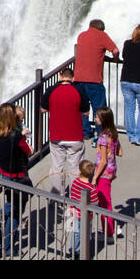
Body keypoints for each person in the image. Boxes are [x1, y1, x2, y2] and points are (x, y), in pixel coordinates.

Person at [0, 103, 33, 255]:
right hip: (18, 177)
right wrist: (24, 138)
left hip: (5, 174)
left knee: (10, 205)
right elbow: (28, 151)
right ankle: (7, 247)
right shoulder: (16, 136)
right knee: (15, 212)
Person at [42, 66, 89, 196]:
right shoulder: (79, 90)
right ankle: (75, 197)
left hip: (56, 135)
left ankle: (56, 197)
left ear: (60, 77)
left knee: (57, 167)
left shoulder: (51, 90)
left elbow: (43, 109)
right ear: (73, 78)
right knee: (74, 168)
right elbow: (86, 111)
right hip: (75, 136)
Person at [74, 19, 119, 142]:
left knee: (82, 107)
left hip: (78, 79)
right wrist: (115, 59)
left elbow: (89, 50)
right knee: (99, 109)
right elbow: (115, 50)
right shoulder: (102, 35)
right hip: (93, 79)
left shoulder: (81, 35)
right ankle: (100, 133)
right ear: (101, 28)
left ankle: (85, 132)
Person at [91, 107, 122, 236]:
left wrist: (94, 177)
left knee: (105, 202)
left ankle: (109, 231)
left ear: (103, 120)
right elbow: (120, 152)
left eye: (97, 117)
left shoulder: (103, 137)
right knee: (104, 201)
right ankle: (111, 227)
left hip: (103, 173)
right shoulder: (113, 133)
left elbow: (103, 161)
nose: (95, 119)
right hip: (111, 170)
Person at [68, 160, 100, 258]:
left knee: (75, 232)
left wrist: (72, 208)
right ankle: (83, 252)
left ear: (80, 171)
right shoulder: (91, 188)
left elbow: (72, 195)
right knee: (86, 234)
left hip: (75, 212)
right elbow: (95, 202)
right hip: (86, 216)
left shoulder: (75, 182)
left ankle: (74, 250)